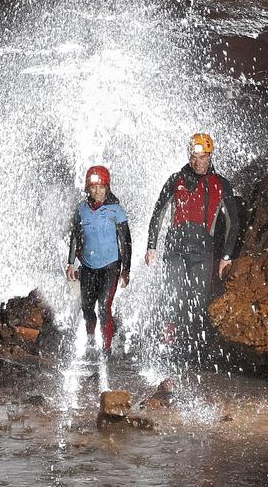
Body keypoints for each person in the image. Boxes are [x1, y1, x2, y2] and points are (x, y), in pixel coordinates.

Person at [144, 133, 240, 347]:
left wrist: (226, 257)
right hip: (175, 249)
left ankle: (192, 345)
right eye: (194, 157)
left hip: (202, 251)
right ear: (189, 156)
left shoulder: (221, 184)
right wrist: (151, 247)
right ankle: (167, 342)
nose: (198, 162)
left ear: (210, 156)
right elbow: (158, 213)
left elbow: (233, 223)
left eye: (203, 157)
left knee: (198, 302)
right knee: (173, 294)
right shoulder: (175, 180)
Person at [66, 164, 131, 353]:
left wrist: (126, 269)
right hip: (88, 266)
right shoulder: (81, 209)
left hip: (110, 266)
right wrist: (71, 263)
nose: (97, 191)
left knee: (103, 307)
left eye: (101, 187)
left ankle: (107, 347)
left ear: (107, 187)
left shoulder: (116, 210)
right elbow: (75, 236)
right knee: (87, 307)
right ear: (88, 188)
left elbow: (126, 241)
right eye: (93, 187)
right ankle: (90, 339)